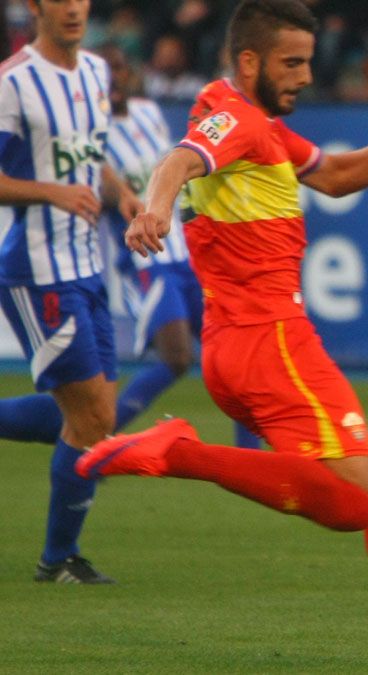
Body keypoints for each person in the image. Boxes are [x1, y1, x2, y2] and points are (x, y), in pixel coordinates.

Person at [75, 1, 368, 673]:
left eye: (308, 61)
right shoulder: (234, 120)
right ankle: (182, 452)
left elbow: (338, 176)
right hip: (272, 344)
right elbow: (180, 159)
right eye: (291, 63)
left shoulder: (258, 124)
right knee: (355, 503)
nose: (305, 75)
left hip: (244, 345)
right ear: (250, 61)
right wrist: (154, 208)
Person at [0, 43, 260, 450]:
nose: (115, 78)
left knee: (236, 356)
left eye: (120, 68)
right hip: (147, 259)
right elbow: (88, 184)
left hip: (189, 256)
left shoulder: (148, 114)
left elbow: (178, 166)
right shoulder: (89, 132)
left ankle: (249, 456)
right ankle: (101, 440)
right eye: (108, 72)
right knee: (176, 356)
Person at [0, 0, 142, 584]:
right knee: (91, 419)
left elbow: (91, 153)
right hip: (38, 271)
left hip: (88, 266)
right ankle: (58, 559)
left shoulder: (95, 72)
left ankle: (62, 557)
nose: (75, 7)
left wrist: (123, 193)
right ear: (35, 7)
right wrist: (53, 193)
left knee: (93, 420)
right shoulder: (15, 82)